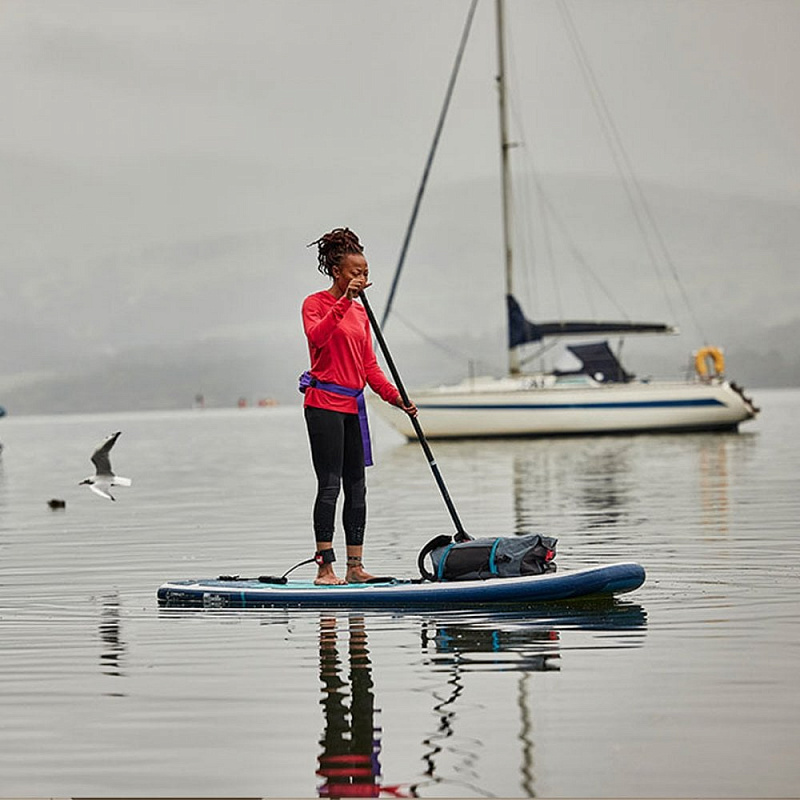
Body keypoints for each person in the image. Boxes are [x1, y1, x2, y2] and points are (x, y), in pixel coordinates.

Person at [302, 228, 417, 585]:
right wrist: (343, 302)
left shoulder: (362, 315)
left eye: (366, 273)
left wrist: (397, 398)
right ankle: (325, 568)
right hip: (323, 404)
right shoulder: (316, 303)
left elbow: (369, 368)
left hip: (353, 407)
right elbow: (317, 337)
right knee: (330, 485)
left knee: (358, 486)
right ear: (338, 272)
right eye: (356, 272)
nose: (362, 279)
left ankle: (355, 567)